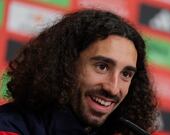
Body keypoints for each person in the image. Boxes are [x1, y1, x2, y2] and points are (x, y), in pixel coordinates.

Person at [0, 9, 157, 135]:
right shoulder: (9, 127)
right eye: (102, 67)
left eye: (126, 74)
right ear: (66, 63)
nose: (113, 88)